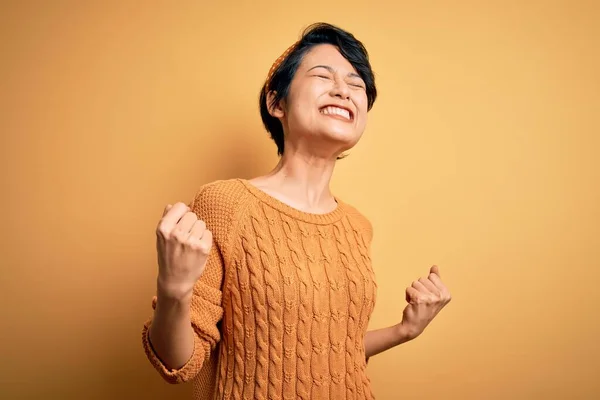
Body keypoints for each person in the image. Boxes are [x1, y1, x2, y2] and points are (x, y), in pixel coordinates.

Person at [142, 22, 452, 400]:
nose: (343, 89)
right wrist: (174, 289)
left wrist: (405, 330)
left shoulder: (357, 226)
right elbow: (178, 363)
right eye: (324, 76)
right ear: (277, 103)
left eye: (357, 85)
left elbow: (328, 353)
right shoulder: (225, 204)